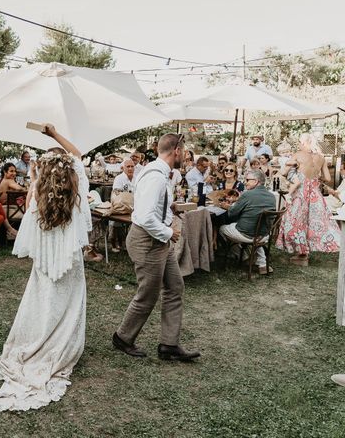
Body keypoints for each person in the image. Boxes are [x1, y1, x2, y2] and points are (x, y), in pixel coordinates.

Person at [0, 123, 90, 412]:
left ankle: (37, 339)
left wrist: (35, 180)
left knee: (43, 300)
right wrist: (54, 134)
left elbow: (31, 219)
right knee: (70, 303)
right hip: (69, 262)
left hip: (45, 263)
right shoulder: (77, 192)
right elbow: (79, 157)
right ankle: (61, 345)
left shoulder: (37, 195)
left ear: (43, 171)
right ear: (68, 169)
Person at [113, 133, 200, 362]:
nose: (187, 156)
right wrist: (170, 232)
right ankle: (122, 338)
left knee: (174, 286)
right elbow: (145, 217)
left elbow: (150, 206)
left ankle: (169, 345)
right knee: (148, 295)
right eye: (185, 151)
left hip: (157, 240)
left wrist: (169, 208)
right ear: (177, 151)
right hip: (147, 242)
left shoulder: (157, 172)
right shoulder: (156, 177)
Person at [277, 133, 340, 265]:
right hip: (315, 194)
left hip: (300, 193)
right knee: (313, 222)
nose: (299, 144)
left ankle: (301, 254)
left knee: (295, 221)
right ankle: (304, 254)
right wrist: (316, 178)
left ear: (305, 143)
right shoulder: (321, 158)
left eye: (300, 142)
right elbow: (328, 179)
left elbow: (283, 173)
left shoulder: (298, 155)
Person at [218, 169, 276, 274]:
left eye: (248, 180)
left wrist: (227, 206)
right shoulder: (272, 196)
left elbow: (232, 213)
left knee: (221, 228)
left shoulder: (247, 195)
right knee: (255, 230)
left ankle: (244, 256)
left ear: (256, 181)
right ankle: (262, 264)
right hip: (264, 234)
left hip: (247, 234)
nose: (245, 182)